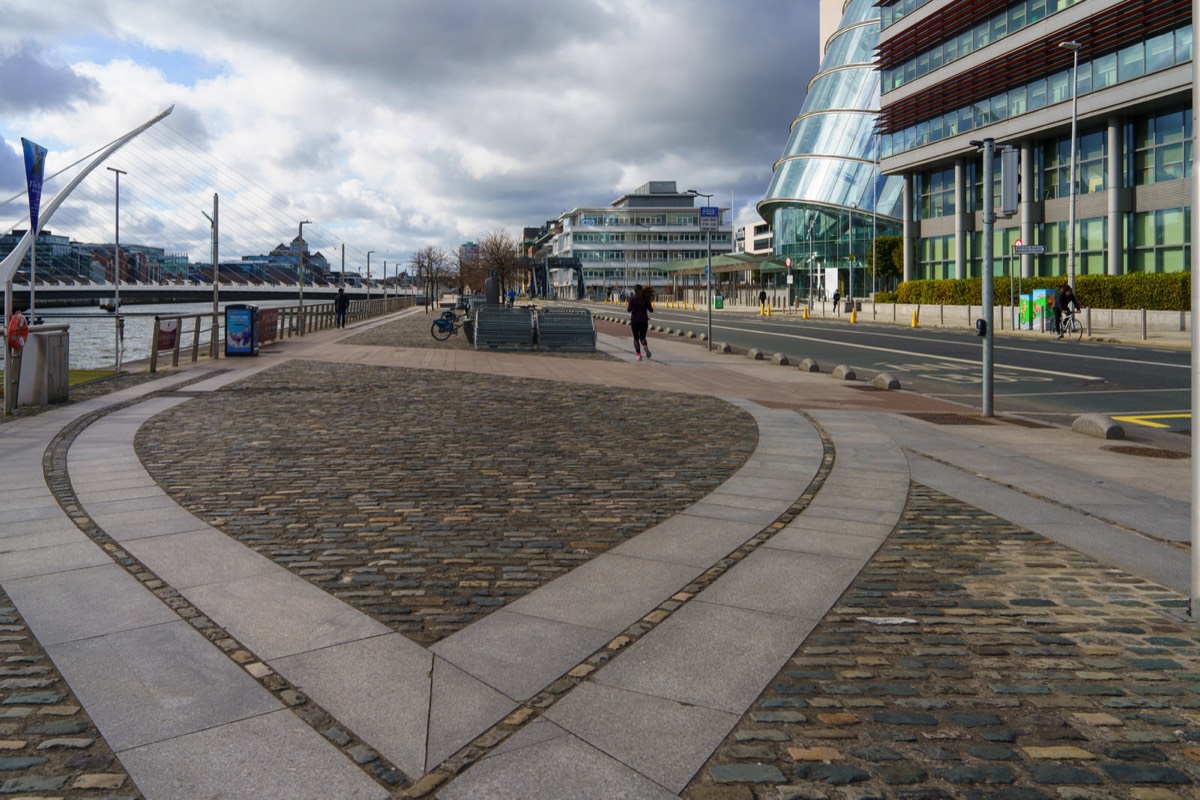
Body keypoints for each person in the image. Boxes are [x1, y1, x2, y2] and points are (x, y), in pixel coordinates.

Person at [627, 283, 653, 360]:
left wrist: (633, 308)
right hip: (644, 321)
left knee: (636, 338)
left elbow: (628, 310)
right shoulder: (645, 299)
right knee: (642, 337)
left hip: (634, 321)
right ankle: (645, 347)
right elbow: (651, 310)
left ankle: (639, 355)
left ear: (634, 291)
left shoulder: (632, 299)